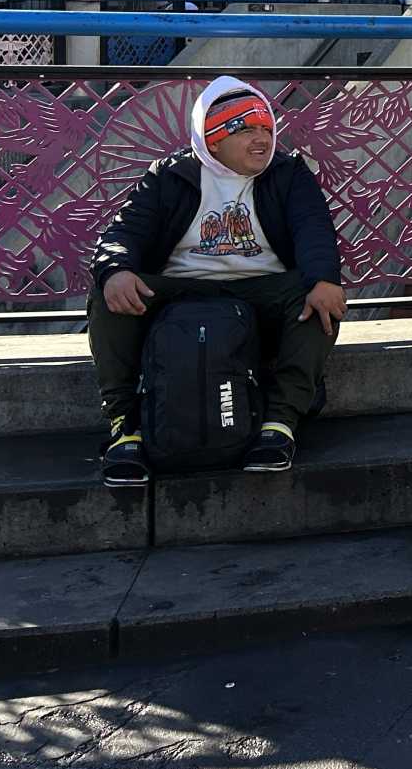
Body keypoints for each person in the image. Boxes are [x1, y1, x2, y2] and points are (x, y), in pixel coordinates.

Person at [87, 76, 347, 485]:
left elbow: (313, 230)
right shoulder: (170, 174)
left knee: (315, 298)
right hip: (181, 289)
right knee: (110, 295)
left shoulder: (289, 171)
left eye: (265, 128)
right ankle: (126, 426)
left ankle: (279, 425)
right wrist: (115, 269)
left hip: (262, 288)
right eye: (244, 130)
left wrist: (324, 279)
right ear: (212, 140)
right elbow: (123, 233)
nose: (261, 139)